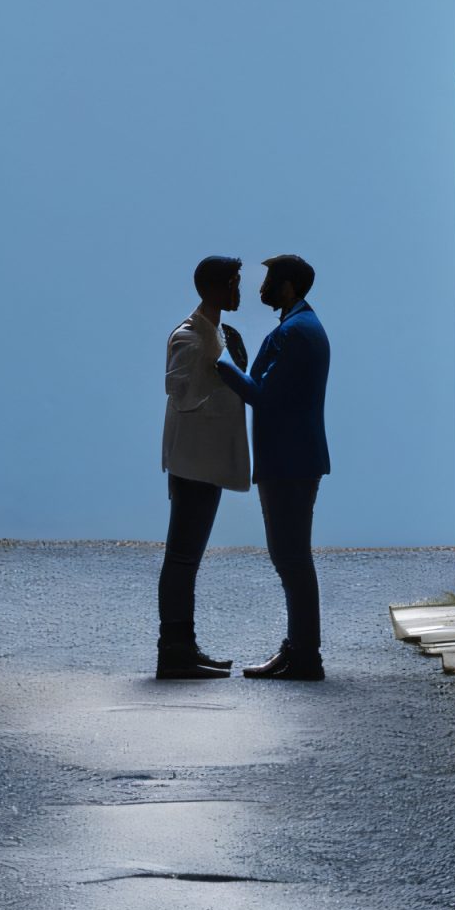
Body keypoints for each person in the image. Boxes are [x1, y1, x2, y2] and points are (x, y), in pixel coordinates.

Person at [216, 255, 329, 681]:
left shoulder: (295, 331)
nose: (261, 288)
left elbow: (263, 396)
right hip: (293, 457)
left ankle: (304, 654)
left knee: (291, 559)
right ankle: (300, 649)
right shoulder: (300, 325)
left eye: (270, 280)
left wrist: (220, 362)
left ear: (289, 286)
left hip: (288, 459)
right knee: (292, 558)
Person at [157, 256, 251, 681]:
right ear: (215, 288)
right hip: (193, 460)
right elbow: (179, 391)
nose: (238, 291)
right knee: (182, 557)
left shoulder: (218, 333)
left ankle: (183, 646)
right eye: (234, 283)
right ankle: (174, 650)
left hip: (205, 460)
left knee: (188, 558)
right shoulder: (190, 336)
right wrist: (222, 375)